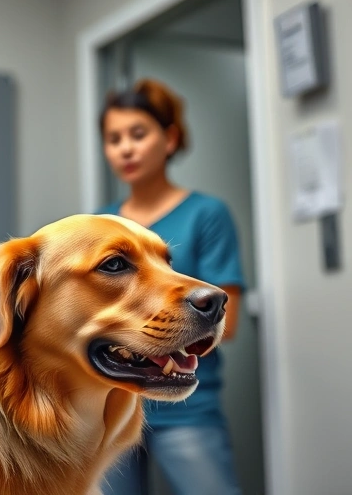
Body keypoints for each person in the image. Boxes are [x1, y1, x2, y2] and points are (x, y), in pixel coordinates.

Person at [97, 79, 245, 495]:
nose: (125, 148)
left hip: (187, 410)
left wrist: (149, 334)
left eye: (138, 134)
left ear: (170, 138)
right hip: (113, 408)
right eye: (114, 139)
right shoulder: (101, 225)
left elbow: (225, 322)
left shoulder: (206, 214)